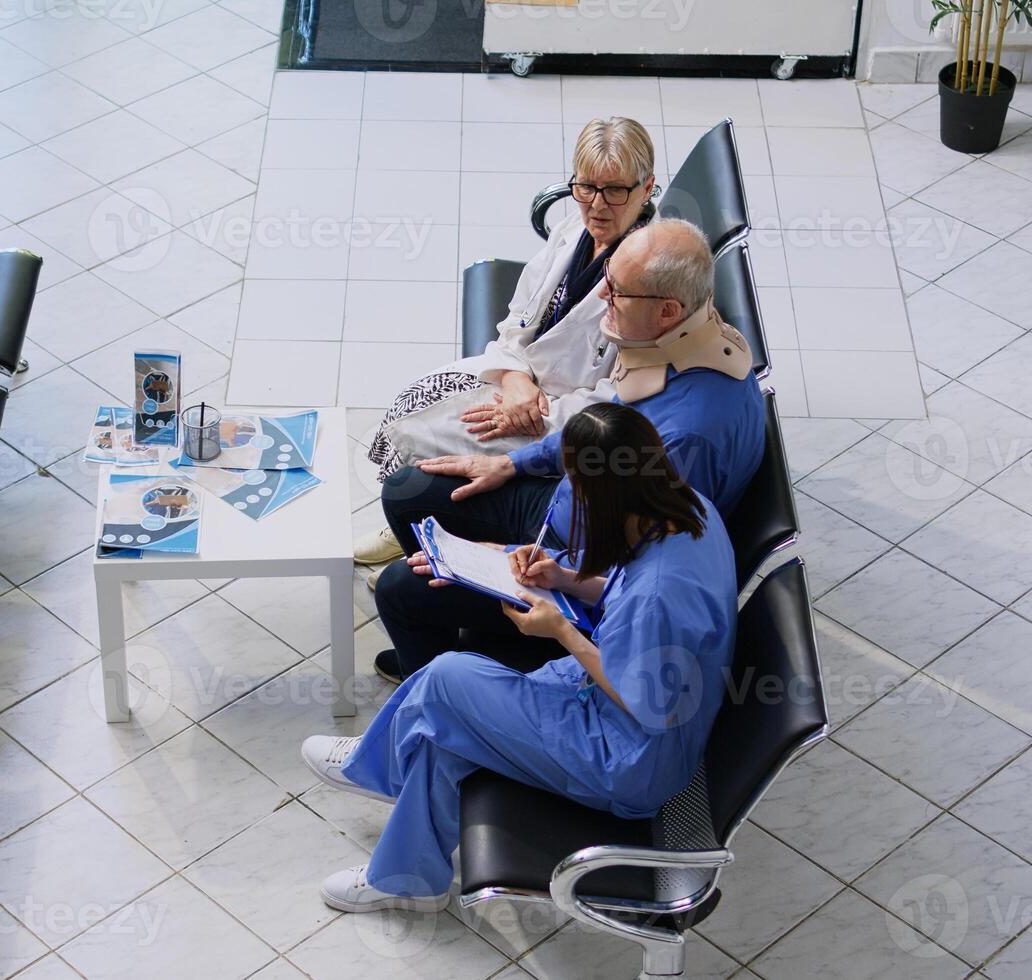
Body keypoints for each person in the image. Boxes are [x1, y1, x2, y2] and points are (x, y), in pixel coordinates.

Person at [300, 403, 739, 912]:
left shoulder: (661, 595)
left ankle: (378, 769)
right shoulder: (688, 509)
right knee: (448, 721)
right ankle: (405, 870)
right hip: (605, 705)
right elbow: (626, 600)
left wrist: (561, 632)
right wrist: (563, 578)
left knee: (447, 680)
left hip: (624, 760)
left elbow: (649, 705)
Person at [370, 217, 763, 683]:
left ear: (668, 310)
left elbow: (634, 576)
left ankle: (451, 685)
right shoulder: (676, 348)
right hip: (572, 507)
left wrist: (508, 559)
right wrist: (509, 464)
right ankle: (453, 638)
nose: (601, 297)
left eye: (616, 290)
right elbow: (596, 433)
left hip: (581, 559)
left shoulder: (684, 439)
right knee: (407, 491)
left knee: (401, 589)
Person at [354, 117, 659, 568]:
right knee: (408, 405)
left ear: (647, 187)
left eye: (615, 190)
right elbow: (518, 318)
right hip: (522, 381)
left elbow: (620, 398)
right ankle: (412, 527)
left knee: (434, 445)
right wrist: (515, 380)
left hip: (560, 420)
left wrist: (532, 412)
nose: (597, 205)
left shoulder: (650, 275)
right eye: (585, 187)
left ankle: (432, 547)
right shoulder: (573, 234)